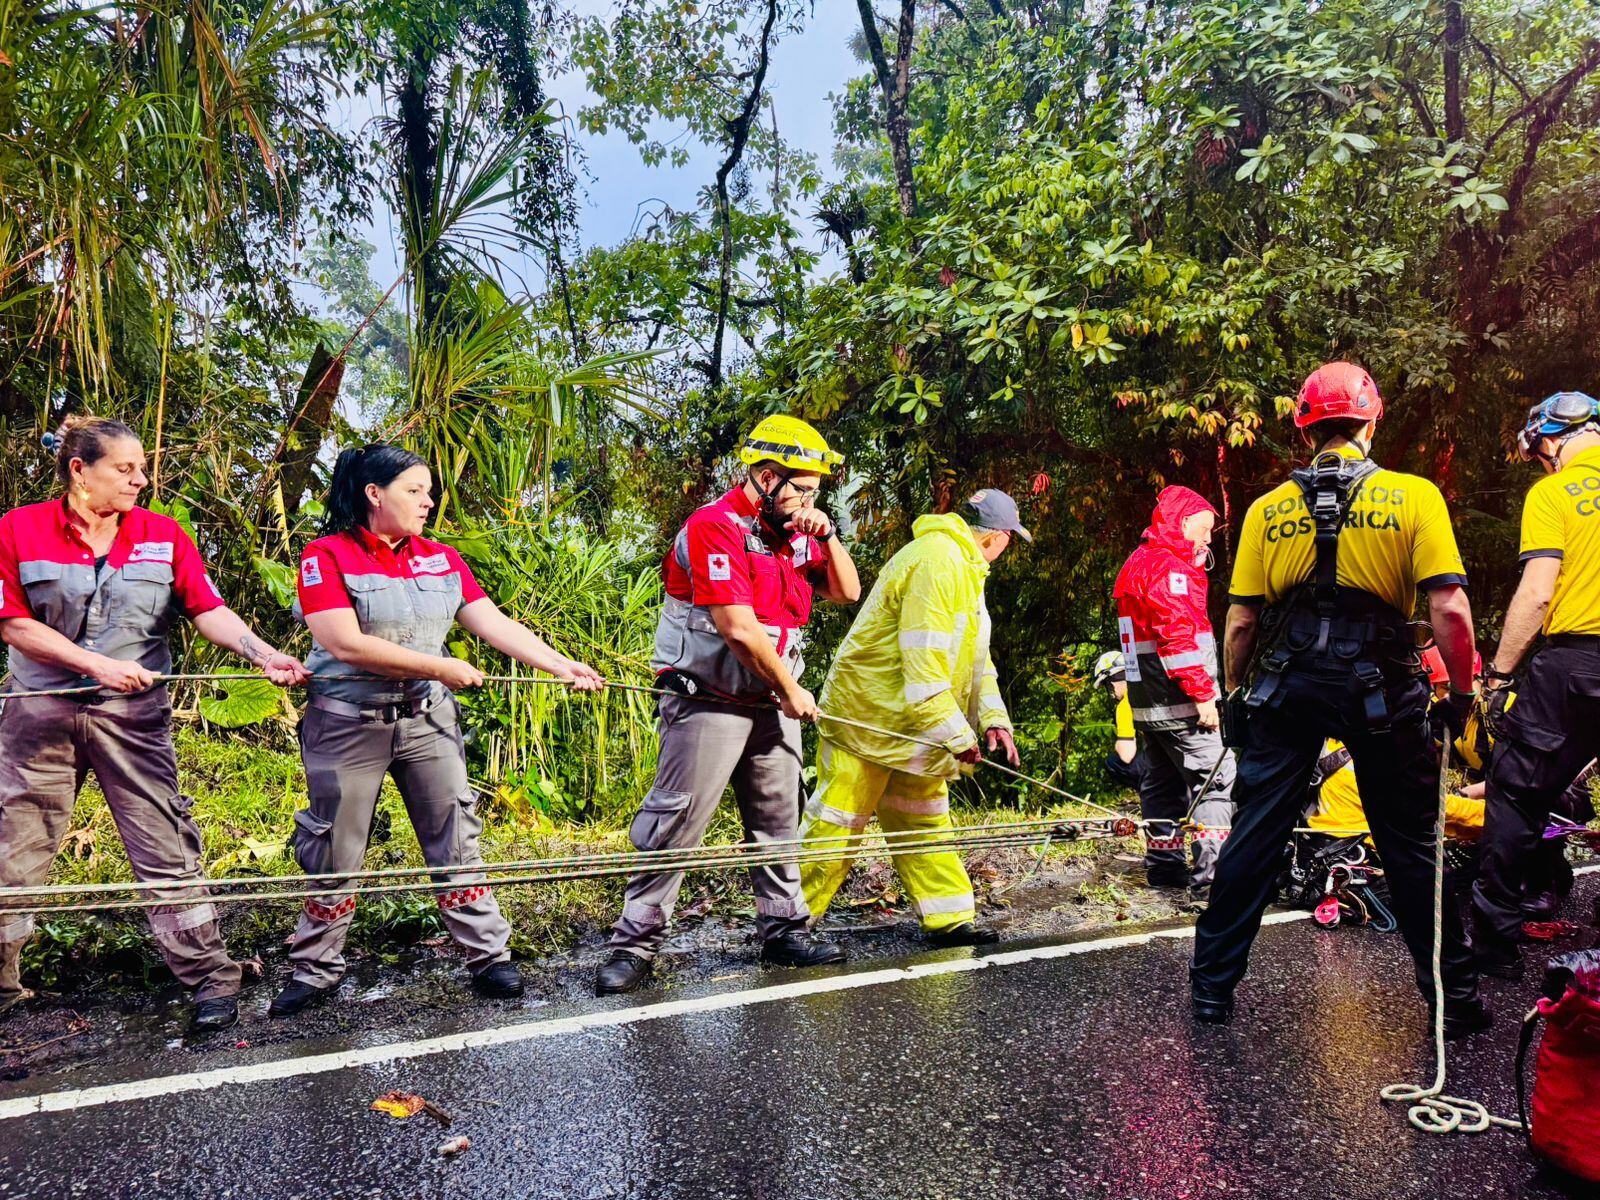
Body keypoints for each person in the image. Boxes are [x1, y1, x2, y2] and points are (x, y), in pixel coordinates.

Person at [1191, 361, 1489, 1038]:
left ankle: (1211, 991)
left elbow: (1240, 622)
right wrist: (1461, 695)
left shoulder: (1269, 510)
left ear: (1305, 428)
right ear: (1371, 419)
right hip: (1380, 682)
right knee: (1411, 842)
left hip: (1287, 682)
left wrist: (1236, 695)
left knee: (1259, 830)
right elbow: (1451, 609)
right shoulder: (1413, 497)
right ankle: (1455, 999)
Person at [270, 444, 605, 1016]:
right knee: (335, 848)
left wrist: (559, 664)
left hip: (427, 720)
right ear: (374, 495)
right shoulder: (324, 555)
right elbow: (343, 642)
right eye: (414, 490)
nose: (428, 501)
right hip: (348, 724)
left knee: (456, 835)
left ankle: (488, 956)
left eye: (428, 491)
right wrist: (440, 667)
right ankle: (316, 968)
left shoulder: (440, 559)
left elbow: (492, 622)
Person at [0, 416, 310, 1033]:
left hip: (134, 721)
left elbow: (208, 610)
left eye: (142, 468)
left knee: (165, 846)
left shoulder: (162, 535)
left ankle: (211, 981)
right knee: (13, 851)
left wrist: (264, 654)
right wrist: (96, 665)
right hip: (39, 718)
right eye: (125, 469)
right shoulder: (17, 528)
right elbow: (11, 622)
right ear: (79, 471)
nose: (140, 480)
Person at [595, 416, 862, 995]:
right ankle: (633, 945)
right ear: (767, 477)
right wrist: (792, 691)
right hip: (709, 700)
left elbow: (846, 591)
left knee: (777, 820)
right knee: (677, 821)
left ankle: (783, 930)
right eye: (804, 488)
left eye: (817, 491)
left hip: (770, 702)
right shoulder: (715, 527)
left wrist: (827, 531)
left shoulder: (793, 532)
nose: (810, 500)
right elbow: (738, 627)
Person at [799, 489, 1028, 947]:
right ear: (997, 538)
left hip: (910, 727)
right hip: (869, 720)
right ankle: (786, 923)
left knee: (924, 820)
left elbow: (974, 663)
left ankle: (949, 919)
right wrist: (956, 735)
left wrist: (993, 721)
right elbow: (922, 665)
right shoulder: (939, 562)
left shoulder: (963, 565)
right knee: (837, 824)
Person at [1471, 391, 1600, 980]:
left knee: (1517, 794)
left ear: (1547, 439)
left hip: (1574, 664)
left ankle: (1495, 948)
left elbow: (1538, 591)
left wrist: (1498, 673)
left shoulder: (1554, 492)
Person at [1111, 486, 1236, 903]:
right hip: (1182, 701)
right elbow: (1177, 639)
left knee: (1162, 782)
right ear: (1181, 524)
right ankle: (1214, 882)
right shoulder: (1170, 571)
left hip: (1147, 704)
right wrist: (1203, 696)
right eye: (1203, 530)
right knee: (1214, 781)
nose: (1207, 540)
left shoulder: (1138, 564)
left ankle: (1164, 866)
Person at [1092, 649, 1142, 790]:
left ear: (1112, 682)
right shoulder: (1150, 687)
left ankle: (1156, 794)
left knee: (1113, 762)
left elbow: (1126, 755)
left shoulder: (1125, 704)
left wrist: (1119, 745)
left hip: (1165, 769)